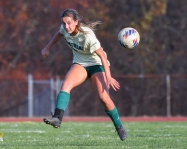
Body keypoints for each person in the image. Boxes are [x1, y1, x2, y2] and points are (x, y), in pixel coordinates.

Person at [41, 9, 127, 141]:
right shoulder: (64, 29)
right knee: (65, 85)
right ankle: (57, 118)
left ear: (76, 22)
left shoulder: (87, 36)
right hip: (80, 64)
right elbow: (59, 34)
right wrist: (47, 47)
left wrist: (108, 76)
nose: (66, 26)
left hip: (96, 64)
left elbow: (102, 56)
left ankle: (119, 127)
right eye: (64, 23)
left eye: (69, 23)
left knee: (104, 98)